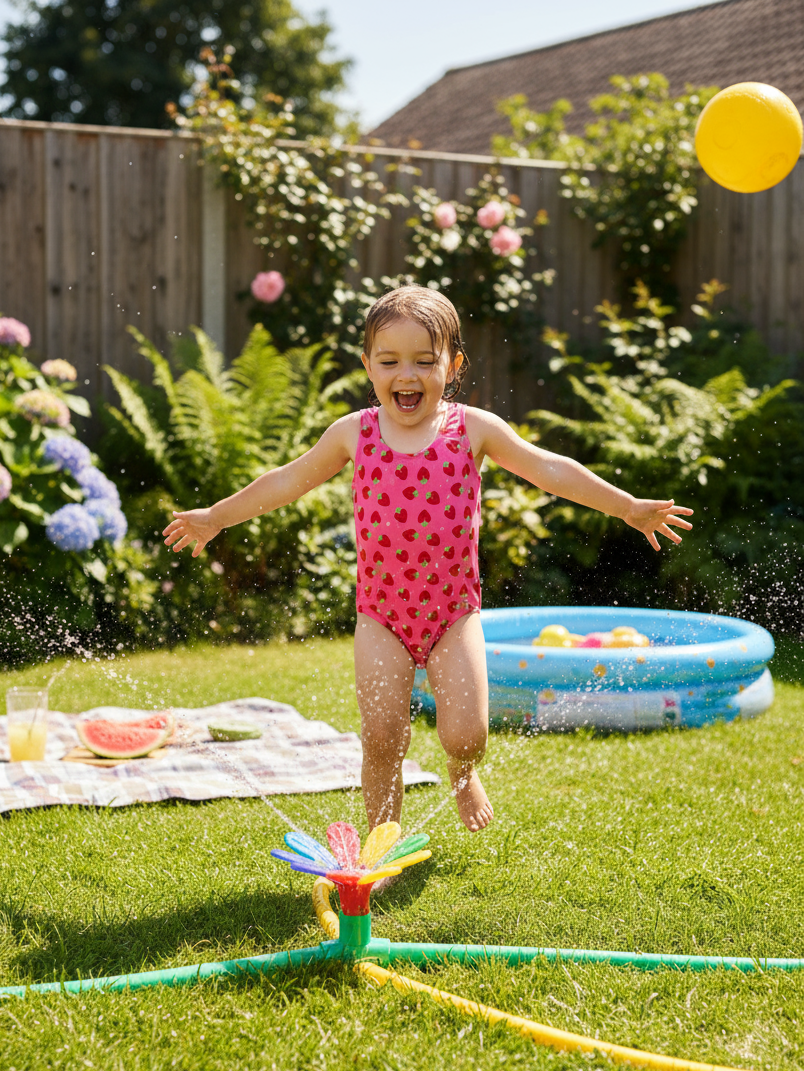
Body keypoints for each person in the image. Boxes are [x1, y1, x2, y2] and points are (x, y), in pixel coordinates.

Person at [163, 286, 693, 835]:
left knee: (468, 734)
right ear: (368, 365)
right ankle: (382, 844)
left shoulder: (474, 429)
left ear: (453, 364)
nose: (407, 375)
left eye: (424, 360)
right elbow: (286, 481)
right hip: (380, 615)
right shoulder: (354, 434)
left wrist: (625, 506)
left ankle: (463, 774)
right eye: (389, 361)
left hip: (453, 612)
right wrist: (218, 517)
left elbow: (549, 468)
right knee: (382, 738)